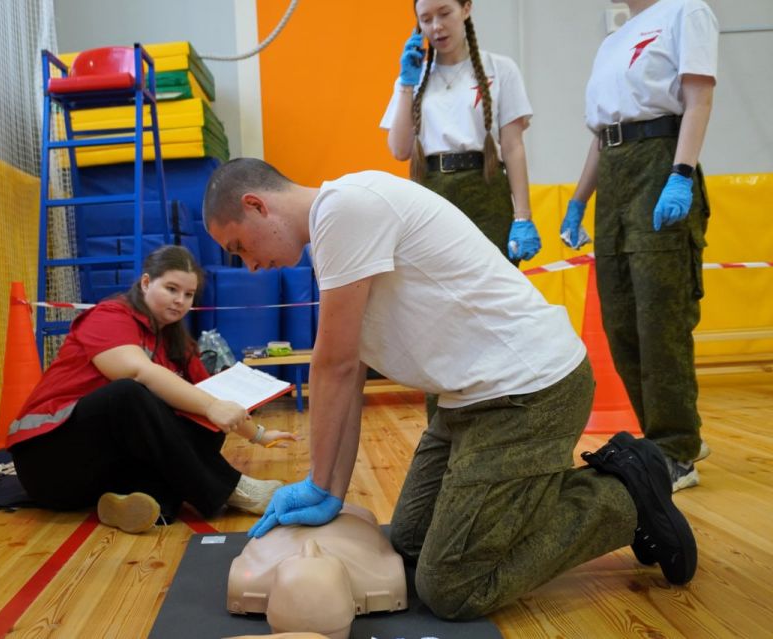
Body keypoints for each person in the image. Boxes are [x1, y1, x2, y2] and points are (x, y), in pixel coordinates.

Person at [203, 158, 697, 620]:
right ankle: (526, 491)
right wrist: (328, 488)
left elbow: (334, 364)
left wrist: (317, 484)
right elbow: (349, 372)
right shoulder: (336, 230)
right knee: (411, 546)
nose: (247, 265)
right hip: (471, 404)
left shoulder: (345, 209)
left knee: (453, 586)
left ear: (256, 205)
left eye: (239, 247)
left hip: (529, 394)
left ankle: (625, 494)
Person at [7, 245, 296, 532]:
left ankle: (138, 503)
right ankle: (233, 489)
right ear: (146, 283)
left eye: (188, 294)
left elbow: (213, 398)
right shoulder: (109, 316)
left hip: (98, 472)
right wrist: (211, 406)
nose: (179, 300)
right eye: (171, 289)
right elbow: (137, 371)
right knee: (127, 394)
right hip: (49, 464)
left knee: (203, 426)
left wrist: (259, 434)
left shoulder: (176, 342)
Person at [560, 0, 718, 492]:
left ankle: (676, 451)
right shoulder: (613, 41)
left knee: (660, 318)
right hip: (614, 174)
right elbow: (602, 132)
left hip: (659, 163)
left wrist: (681, 174)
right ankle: (667, 435)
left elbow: (698, 99)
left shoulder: (685, 12)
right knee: (621, 321)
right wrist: (578, 201)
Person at [381, 0, 541, 267]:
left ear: (466, 9)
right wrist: (407, 85)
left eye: (445, 14)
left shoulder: (501, 69)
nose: (437, 27)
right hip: (432, 195)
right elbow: (399, 150)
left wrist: (522, 217)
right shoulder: (414, 76)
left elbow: (513, 147)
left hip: (486, 190)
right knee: (438, 297)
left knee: (491, 294)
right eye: (426, 19)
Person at [228, 503, 407, 639]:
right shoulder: (385, 576)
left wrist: (322, 486)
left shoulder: (248, 577)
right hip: (355, 521)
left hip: (351, 524)